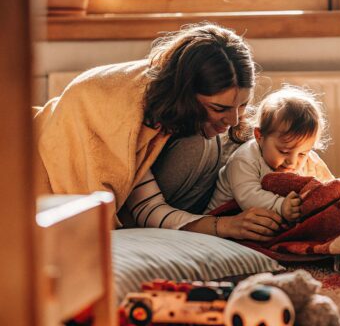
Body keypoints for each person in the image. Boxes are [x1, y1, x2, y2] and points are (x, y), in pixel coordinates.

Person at [34, 23, 281, 241]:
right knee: (196, 145)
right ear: (185, 95)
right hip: (36, 162)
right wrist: (225, 226)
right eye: (219, 108)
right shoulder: (122, 115)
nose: (234, 119)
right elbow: (148, 207)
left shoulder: (203, 121)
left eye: (243, 105)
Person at [206, 85, 334, 221]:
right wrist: (280, 205)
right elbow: (248, 197)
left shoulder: (309, 160)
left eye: (302, 154)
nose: (292, 161)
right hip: (225, 217)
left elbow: (325, 182)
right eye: (284, 151)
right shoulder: (243, 159)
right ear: (259, 136)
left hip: (268, 215)